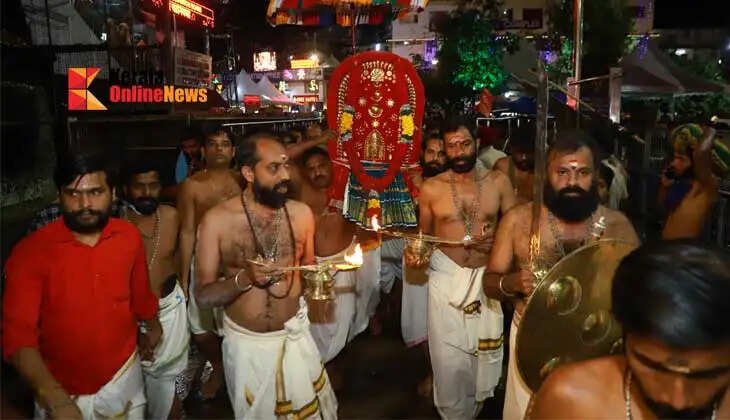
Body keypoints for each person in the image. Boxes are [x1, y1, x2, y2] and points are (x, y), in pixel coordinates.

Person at [482, 129, 639, 420]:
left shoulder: (617, 225)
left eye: (582, 173)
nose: (572, 182)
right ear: (547, 175)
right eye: (562, 172)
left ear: (595, 176)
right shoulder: (518, 220)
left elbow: (641, 291)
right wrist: (511, 283)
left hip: (597, 344)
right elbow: (490, 282)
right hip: (532, 340)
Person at [3, 153, 161, 419]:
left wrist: (152, 326)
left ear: (113, 194)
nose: (84, 204)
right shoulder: (30, 252)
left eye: (95, 192)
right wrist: (57, 400)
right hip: (60, 392)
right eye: (73, 194)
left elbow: (139, 293)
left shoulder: (128, 236)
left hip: (123, 378)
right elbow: (17, 339)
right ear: (59, 196)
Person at [194, 133, 337, 419]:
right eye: (274, 168)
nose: (285, 175)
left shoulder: (302, 215)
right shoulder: (217, 220)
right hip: (247, 348)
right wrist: (244, 279)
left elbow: (308, 270)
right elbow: (204, 296)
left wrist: (322, 277)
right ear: (248, 172)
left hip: (294, 336)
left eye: (285, 165)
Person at [529, 240, 730, 419]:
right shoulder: (571, 400)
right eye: (655, 367)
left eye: (706, 375)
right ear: (625, 335)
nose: (678, 400)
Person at [405, 117, 516, 419]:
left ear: (476, 143)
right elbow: (424, 239)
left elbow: (516, 231)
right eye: (451, 146)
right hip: (446, 278)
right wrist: (416, 254)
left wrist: (497, 246)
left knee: (483, 359)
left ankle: (475, 411)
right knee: (448, 360)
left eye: (464, 144)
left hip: (486, 279)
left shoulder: (498, 182)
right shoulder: (432, 188)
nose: (459, 152)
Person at [298, 147, 378, 390]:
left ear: (331, 165)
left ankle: (334, 379)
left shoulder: (350, 196)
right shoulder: (298, 201)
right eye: (311, 169)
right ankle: (318, 382)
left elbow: (368, 234)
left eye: (321, 165)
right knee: (313, 330)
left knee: (342, 327)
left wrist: (354, 210)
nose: (317, 172)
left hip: (342, 270)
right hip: (311, 274)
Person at [177, 123, 243, 400]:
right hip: (203, 262)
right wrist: (183, 277)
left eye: (225, 143)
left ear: (233, 151)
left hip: (238, 263)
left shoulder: (244, 180)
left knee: (237, 324)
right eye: (213, 143)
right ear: (203, 151)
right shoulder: (191, 186)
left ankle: (234, 371)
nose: (219, 148)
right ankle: (217, 364)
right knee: (200, 329)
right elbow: (188, 231)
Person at [123, 162, 189, 419]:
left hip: (170, 307)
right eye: (140, 187)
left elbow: (183, 253)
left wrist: (183, 287)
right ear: (126, 189)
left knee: (168, 383)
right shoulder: (117, 224)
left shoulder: (171, 216)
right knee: (133, 388)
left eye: (153, 186)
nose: (147, 192)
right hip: (131, 315)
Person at [402, 134, 448, 397]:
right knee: (421, 319)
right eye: (430, 152)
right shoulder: (410, 181)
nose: (436, 158)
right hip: (416, 257)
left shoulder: (456, 183)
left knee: (443, 320)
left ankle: (438, 377)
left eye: (441, 153)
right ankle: (432, 371)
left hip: (446, 260)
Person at [659, 124, 718, 239]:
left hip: (687, 252)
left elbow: (701, 153)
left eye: (681, 159)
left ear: (695, 162)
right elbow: (661, 210)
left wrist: (710, 130)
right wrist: (664, 186)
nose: (674, 163)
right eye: (675, 158)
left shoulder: (706, 186)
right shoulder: (678, 183)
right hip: (668, 248)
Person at [494, 122, 536, 205]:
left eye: (528, 152)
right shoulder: (503, 167)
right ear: (511, 149)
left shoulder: (543, 170)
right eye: (520, 152)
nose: (524, 157)